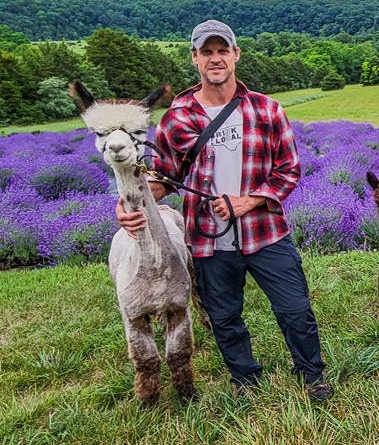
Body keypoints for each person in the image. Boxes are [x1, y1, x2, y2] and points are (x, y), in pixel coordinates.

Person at [116, 20, 332, 399]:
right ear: (195, 58)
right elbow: (163, 177)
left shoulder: (266, 109)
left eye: (222, 50)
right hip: (208, 240)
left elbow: (289, 170)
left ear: (235, 55)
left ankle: (312, 373)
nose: (215, 59)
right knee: (225, 317)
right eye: (206, 52)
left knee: (295, 308)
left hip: (266, 231)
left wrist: (247, 200)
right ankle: (245, 380)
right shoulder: (177, 117)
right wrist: (129, 203)